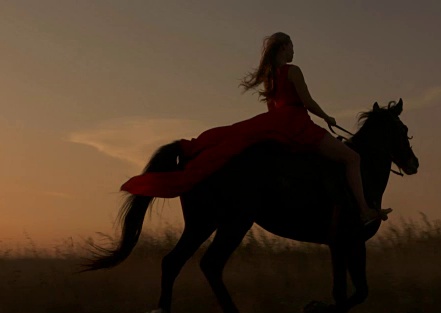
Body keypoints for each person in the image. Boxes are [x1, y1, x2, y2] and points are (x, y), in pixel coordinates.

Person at [121, 32, 391, 225]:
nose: (294, 51)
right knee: (352, 157)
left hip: (279, 124)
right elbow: (307, 102)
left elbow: (273, 110)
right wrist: (328, 117)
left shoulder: (269, 77)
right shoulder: (293, 70)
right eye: (291, 46)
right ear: (283, 48)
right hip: (298, 125)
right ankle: (365, 210)